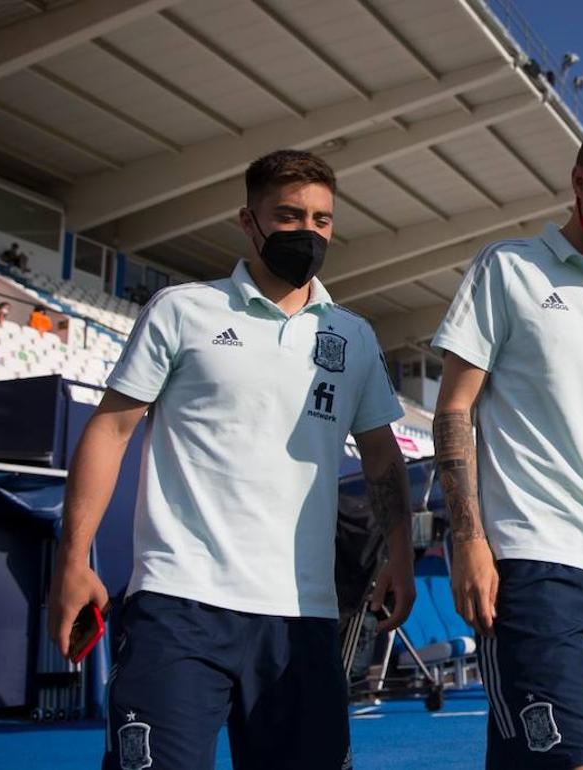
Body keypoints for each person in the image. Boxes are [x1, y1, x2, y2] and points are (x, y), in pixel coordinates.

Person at [47, 149, 415, 770]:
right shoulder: (183, 309)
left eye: (322, 220)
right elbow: (110, 431)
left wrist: (401, 556)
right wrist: (73, 558)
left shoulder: (353, 337)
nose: (308, 232)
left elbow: (381, 457)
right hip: (179, 603)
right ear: (249, 222)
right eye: (289, 215)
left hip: (304, 615)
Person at [432, 107, 583, 770]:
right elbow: (453, 408)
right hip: (534, 564)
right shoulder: (508, 270)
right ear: (581, 183)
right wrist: (469, 539)